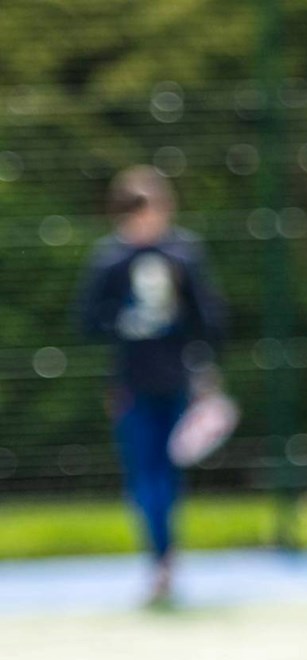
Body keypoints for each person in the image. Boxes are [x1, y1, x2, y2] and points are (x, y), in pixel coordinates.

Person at [74, 166, 227, 606]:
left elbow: (209, 319)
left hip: (177, 380)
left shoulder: (184, 254)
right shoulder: (109, 260)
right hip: (129, 383)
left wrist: (206, 372)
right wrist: (125, 322)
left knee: (167, 471)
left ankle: (165, 556)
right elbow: (86, 321)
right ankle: (160, 556)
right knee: (144, 475)